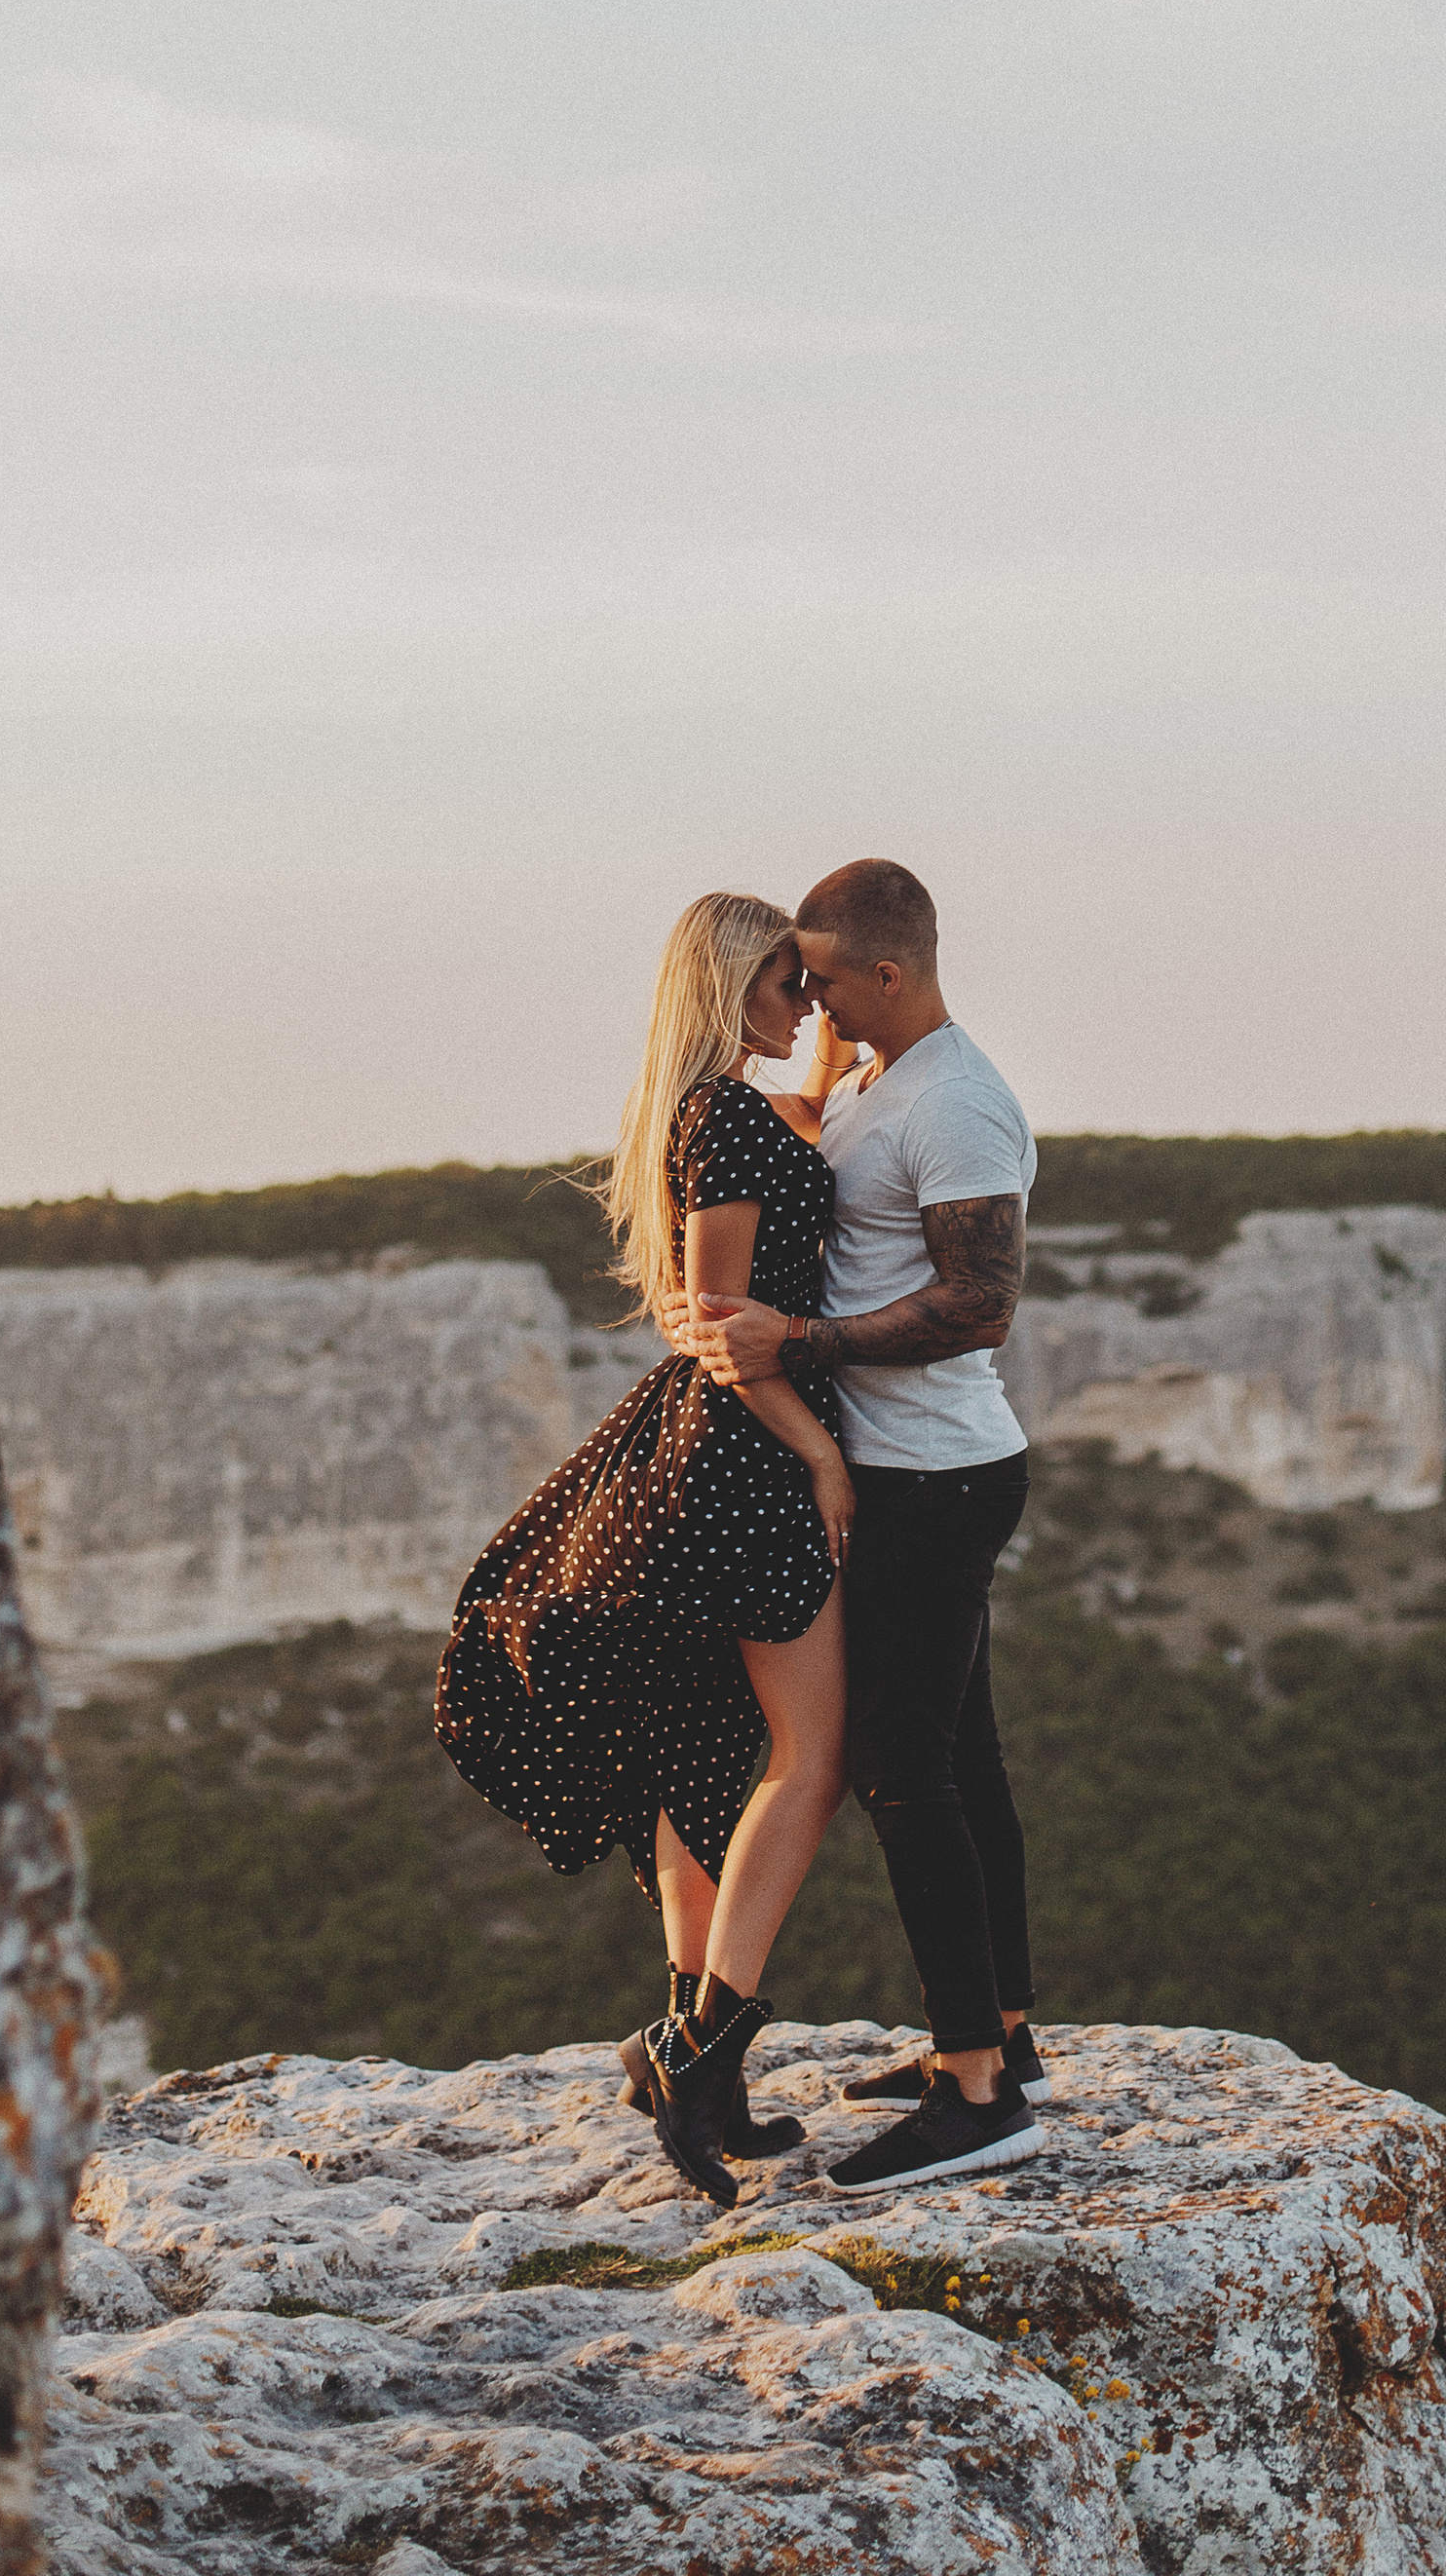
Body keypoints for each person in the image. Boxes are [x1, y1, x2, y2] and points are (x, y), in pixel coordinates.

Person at [435, 890, 856, 2208]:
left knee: (695, 1756)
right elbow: (724, 1319)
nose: (807, 1007)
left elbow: (711, 1277)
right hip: (748, 1458)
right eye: (790, 984)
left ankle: (689, 2051)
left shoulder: (715, 1110)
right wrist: (820, 1448)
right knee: (809, 1760)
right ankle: (701, 2049)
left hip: (697, 1458)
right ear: (735, 987)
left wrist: (838, 1048)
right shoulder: (726, 1118)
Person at [689, 855, 1049, 2196]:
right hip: (910, 1467)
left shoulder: (960, 1105)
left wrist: (805, 1339)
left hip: (936, 1476)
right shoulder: (869, 1082)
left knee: (907, 1774)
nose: (806, 997)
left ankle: (973, 2093)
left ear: (887, 976)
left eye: (823, 979)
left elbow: (980, 1303)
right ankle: (1005, 2037)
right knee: (968, 1757)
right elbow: (769, 1144)